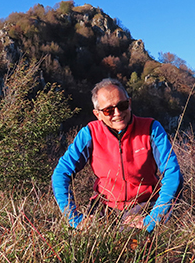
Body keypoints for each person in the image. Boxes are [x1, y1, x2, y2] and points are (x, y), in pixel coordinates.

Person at [51, 78, 182, 232]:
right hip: (103, 206)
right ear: (97, 114)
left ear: (130, 103)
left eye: (122, 105)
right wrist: (74, 219)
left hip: (144, 203)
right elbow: (61, 173)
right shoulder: (89, 134)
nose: (118, 113)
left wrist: (152, 219)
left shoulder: (151, 129)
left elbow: (173, 175)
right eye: (108, 110)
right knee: (87, 249)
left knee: (132, 245)